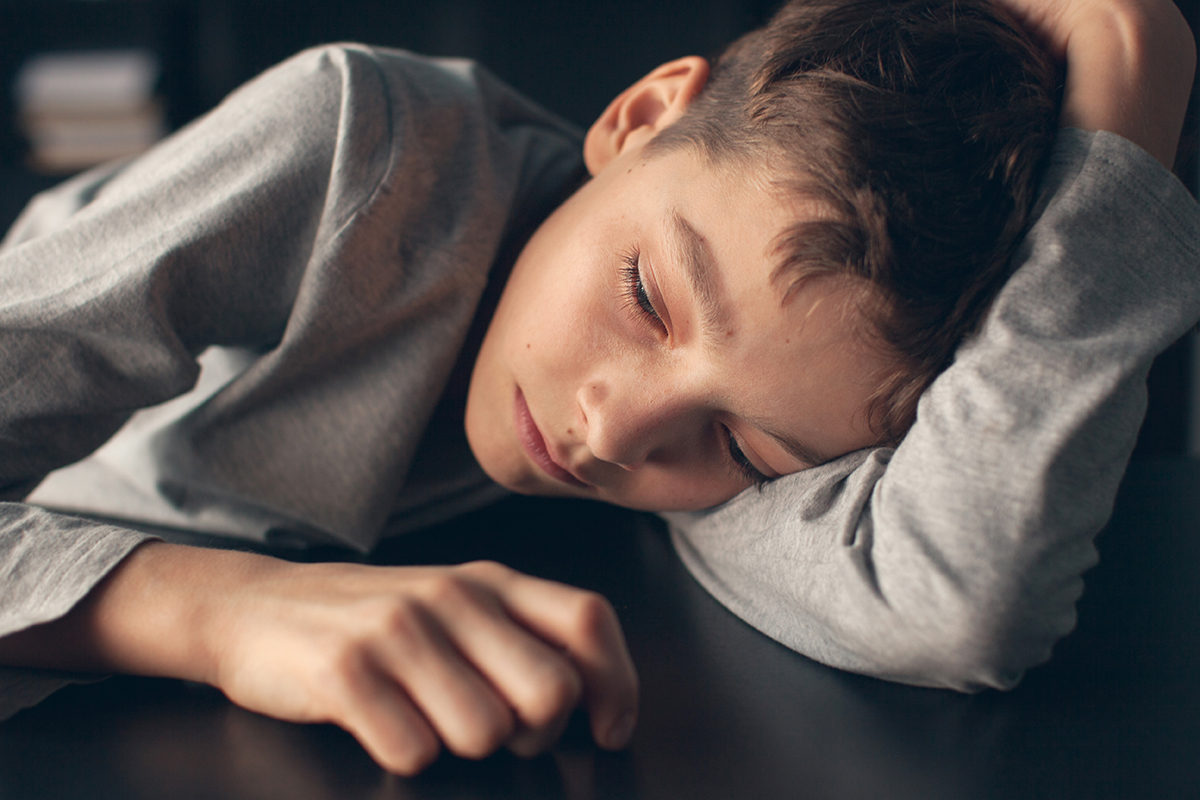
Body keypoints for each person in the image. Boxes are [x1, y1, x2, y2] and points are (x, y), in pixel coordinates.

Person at [0, 0, 1196, 777]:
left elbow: (956, 594)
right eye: (648, 294)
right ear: (638, 119)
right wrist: (224, 611)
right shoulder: (356, 152)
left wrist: (1121, 145)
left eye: (744, 446)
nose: (617, 429)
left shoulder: (718, 437)